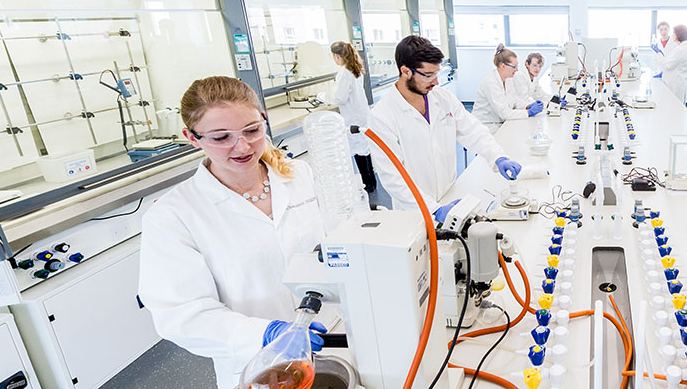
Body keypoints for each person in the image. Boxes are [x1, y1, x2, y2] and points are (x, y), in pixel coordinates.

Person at [138, 76, 330, 389]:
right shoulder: (173, 215)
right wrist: (265, 334)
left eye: (252, 131)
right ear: (192, 137)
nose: (242, 147)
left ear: (263, 120)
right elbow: (183, 314)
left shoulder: (300, 176)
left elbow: (342, 240)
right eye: (221, 137)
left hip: (333, 337)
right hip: (259, 364)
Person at [367, 36, 521, 219]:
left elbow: (473, 130)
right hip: (415, 212)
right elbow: (393, 178)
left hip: (451, 198)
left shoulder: (442, 98)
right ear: (405, 71)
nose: (436, 81)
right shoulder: (382, 116)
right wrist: (434, 209)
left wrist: (498, 156)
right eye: (428, 75)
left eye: (436, 74)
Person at [328, 40, 376, 195]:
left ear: (336, 56)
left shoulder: (344, 72)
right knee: (364, 149)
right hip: (360, 114)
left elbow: (340, 98)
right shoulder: (354, 68)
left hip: (353, 117)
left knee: (358, 150)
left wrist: (322, 97)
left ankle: (367, 185)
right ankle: (371, 183)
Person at [472, 44, 544, 131]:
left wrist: (528, 106)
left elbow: (515, 101)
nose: (517, 70)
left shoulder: (508, 80)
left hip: (500, 123)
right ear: (503, 66)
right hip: (485, 127)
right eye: (514, 67)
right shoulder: (491, 83)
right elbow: (504, 113)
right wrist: (528, 112)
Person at [655, 24, 687, 103]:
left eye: (674, 33)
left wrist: (658, 52)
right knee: (672, 105)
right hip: (673, 79)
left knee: (675, 106)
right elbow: (669, 61)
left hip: (675, 83)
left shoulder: (680, 50)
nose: (672, 35)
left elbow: (667, 65)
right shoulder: (680, 47)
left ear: (678, 35)